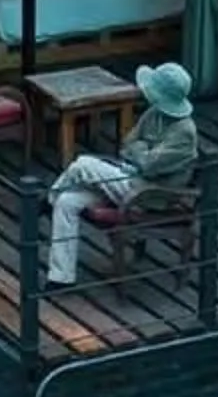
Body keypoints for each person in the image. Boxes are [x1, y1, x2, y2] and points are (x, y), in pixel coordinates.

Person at [46, 62, 198, 286]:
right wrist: (144, 150)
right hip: (127, 179)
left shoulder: (184, 132)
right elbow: (127, 143)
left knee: (83, 164)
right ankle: (61, 277)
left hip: (149, 195)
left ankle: (47, 199)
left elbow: (149, 165)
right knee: (67, 201)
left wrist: (142, 150)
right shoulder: (154, 113)